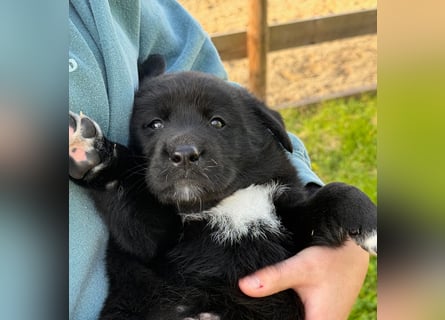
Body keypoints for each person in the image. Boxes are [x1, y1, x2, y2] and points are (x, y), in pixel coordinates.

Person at [69, 0, 370, 319]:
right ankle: (106, 170)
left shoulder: (124, 10)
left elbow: (197, 68)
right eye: (155, 125)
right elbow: (143, 238)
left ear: (265, 128)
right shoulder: (159, 210)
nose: (183, 150)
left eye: (216, 122)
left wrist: (346, 227)